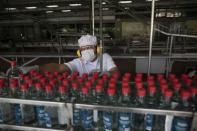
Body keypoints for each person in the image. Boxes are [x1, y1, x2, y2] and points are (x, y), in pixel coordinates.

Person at [38, 34, 119, 76]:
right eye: (83, 49)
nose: (86, 51)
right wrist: (36, 68)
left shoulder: (105, 57)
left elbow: (116, 72)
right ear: (79, 52)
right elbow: (59, 67)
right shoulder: (79, 62)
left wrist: (106, 74)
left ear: (97, 49)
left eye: (89, 47)